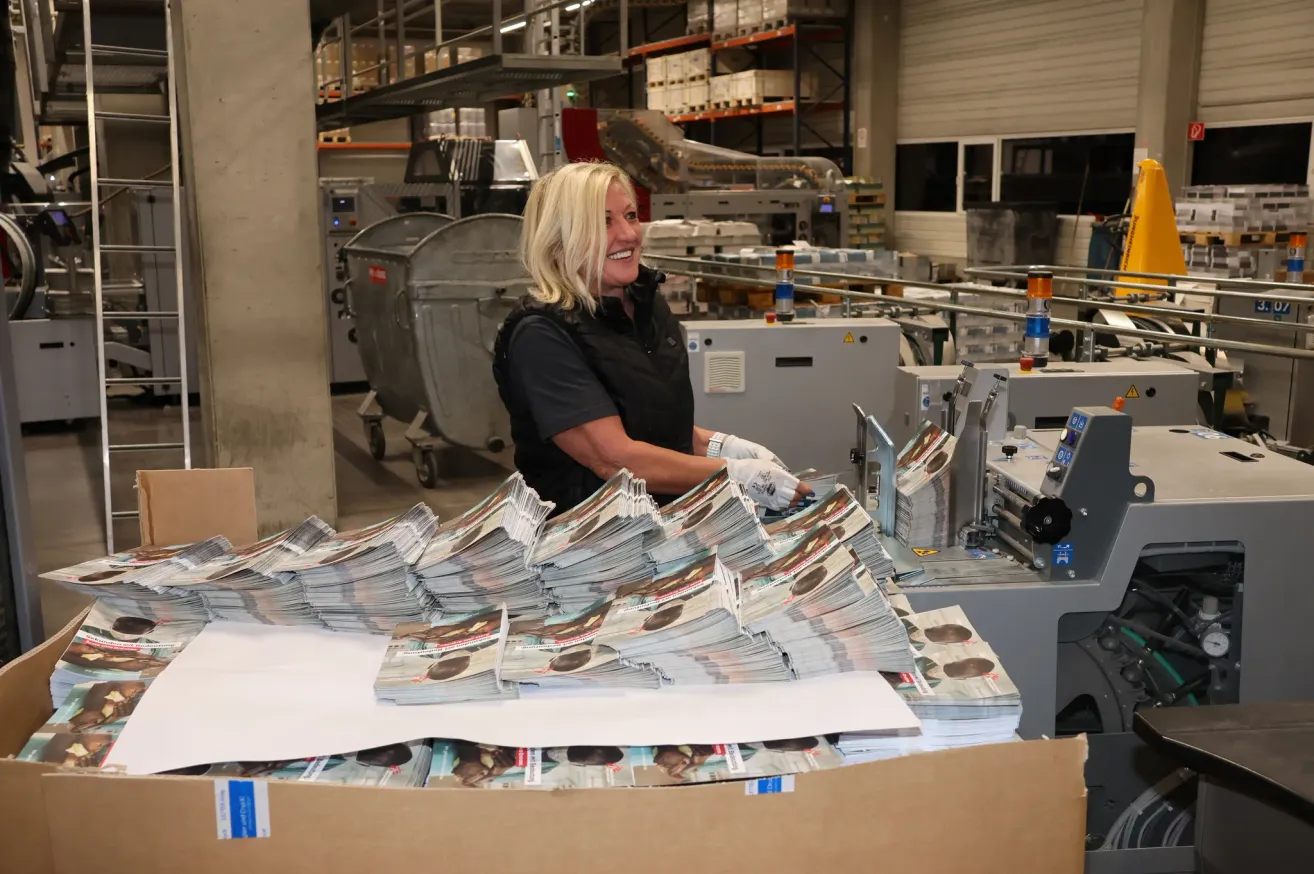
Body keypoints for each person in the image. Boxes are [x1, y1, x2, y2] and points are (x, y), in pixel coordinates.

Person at [492, 161, 812, 516]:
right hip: (589, 544)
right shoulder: (541, 335)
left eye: (631, 215)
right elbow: (613, 459)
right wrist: (735, 475)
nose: (628, 234)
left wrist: (722, 446)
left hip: (664, 526)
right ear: (558, 239)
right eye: (603, 222)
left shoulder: (645, 303)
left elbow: (652, 422)